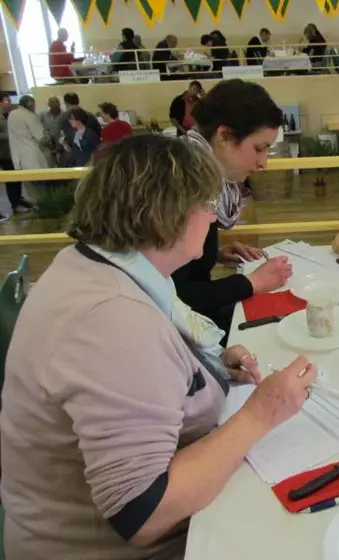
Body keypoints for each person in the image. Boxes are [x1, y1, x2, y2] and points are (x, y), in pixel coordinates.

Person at [0, 134, 318, 559]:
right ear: (167, 215)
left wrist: (204, 365)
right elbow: (143, 514)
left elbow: (134, 371)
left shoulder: (96, 266)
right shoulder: (108, 318)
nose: (210, 220)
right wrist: (262, 413)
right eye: (206, 206)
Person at [173, 79, 293, 339]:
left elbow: (176, 265)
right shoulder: (182, 184)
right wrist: (252, 283)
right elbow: (174, 295)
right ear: (224, 135)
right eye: (259, 148)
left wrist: (212, 253)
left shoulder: (199, 169)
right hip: (177, 330)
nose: (263, 163)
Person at [0, 95, 33, 218]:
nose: (9, 103)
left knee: (17, 177)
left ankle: (19, 198)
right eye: (6, 101)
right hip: (4, 153)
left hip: (13, 151)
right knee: (11, 179)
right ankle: (15, 203)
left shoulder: (9, 114)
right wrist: (11, 135)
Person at [8, 95, 51, 174]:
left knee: (27, 184)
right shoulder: (30, 116)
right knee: (40, 183)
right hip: (33, 157)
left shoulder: (12, 114)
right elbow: (41, 138)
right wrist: (47, 134)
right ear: (30, 105)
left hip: (18, 157)